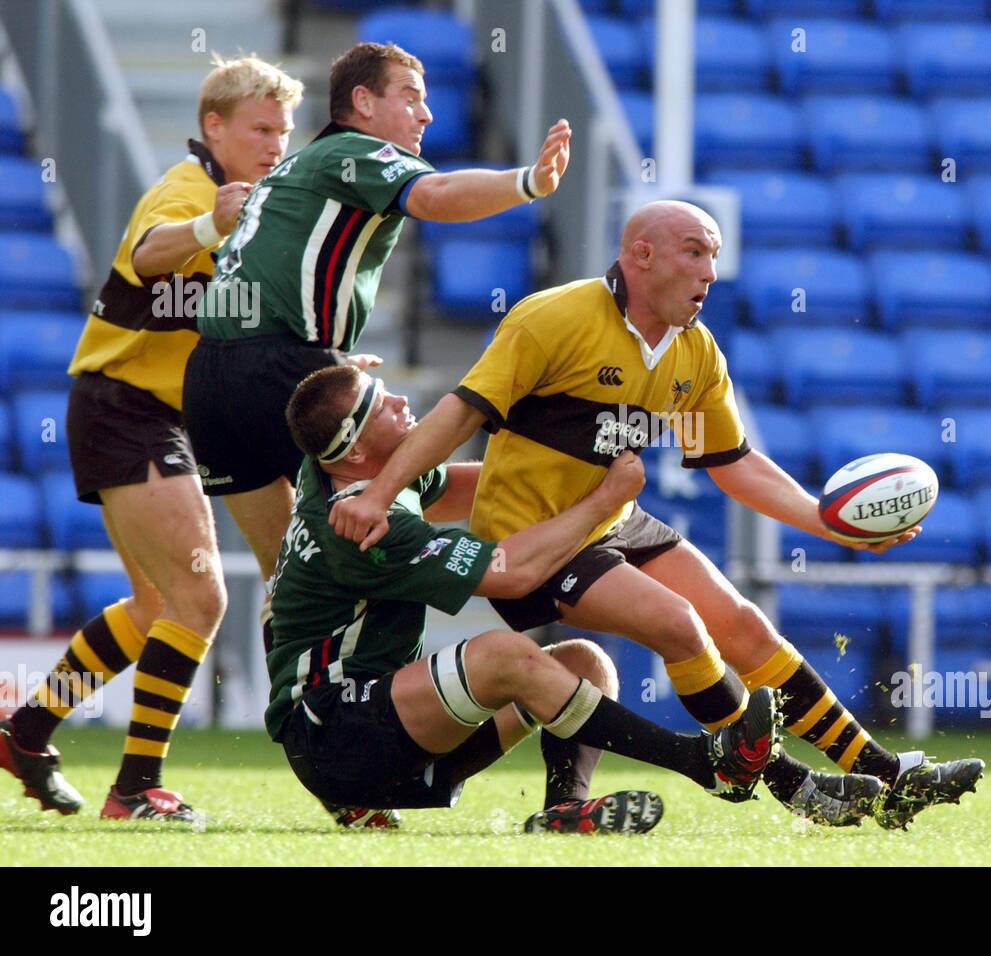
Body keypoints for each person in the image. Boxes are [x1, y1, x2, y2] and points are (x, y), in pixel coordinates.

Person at [329, 200, 985, 830]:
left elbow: (733, 462)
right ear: (639, 256)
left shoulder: (693, 351)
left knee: (745, 629)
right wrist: (382, 492)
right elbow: (461, 411)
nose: (709, 271)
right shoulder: (553, 319)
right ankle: (791, 785)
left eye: (715, 256)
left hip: (612, 521)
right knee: (679, 624)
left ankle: (886, 776)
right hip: (532, 541)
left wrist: (826, 520)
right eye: (694, 251)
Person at [269, 365, 778, 833]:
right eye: (382, 404)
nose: (401, 400)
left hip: (381, 729)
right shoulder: (363, 527)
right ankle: (706, 765)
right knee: (501, 654)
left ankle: (565, 808)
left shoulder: (357, 474)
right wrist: (603, 499)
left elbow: (475, 489)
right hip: (333, 735)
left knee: (585, 663)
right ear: (355, 450)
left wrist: (567, 468)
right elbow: (510, 574)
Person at [0, 56, 303, 822]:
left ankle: (26, 731)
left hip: (148, 413)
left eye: (285, 130)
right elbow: (147, 253)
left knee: (153, 604)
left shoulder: (252, 206)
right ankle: (135, 788)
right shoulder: (189, 190)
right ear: (214, 126)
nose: (276, 143)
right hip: (126, 408)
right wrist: (209, 224)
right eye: (260, 128)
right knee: (199, 595)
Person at [182, 41, 572, 597]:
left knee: (290, 578)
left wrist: (326, 362)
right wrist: (527, 182)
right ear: (362, 102)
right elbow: (435, 196)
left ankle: (304, 685)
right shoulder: (356, 151)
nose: (427, 113)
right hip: (277, 366)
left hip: (210, 380)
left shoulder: (293, 167)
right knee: (383, 504)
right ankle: (545, 498)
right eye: (410, 97)